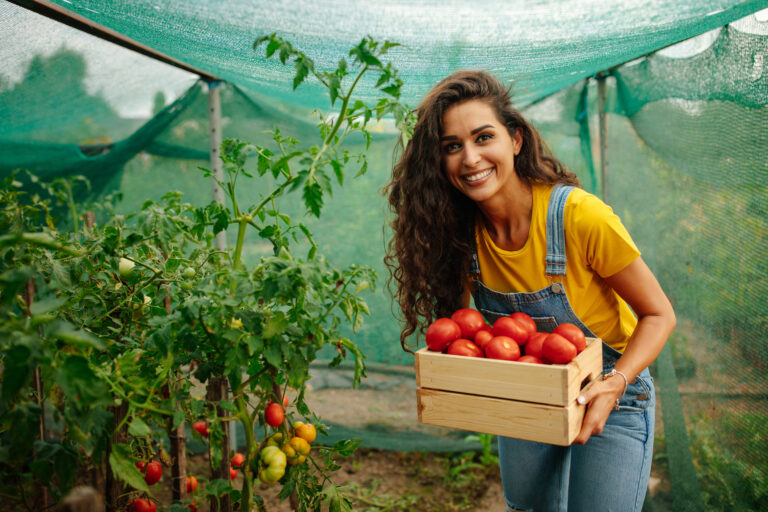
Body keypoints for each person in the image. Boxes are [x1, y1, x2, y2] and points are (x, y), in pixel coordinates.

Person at [384, 70, 676, 512]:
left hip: (611, 393)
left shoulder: (579, 217)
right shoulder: (460, 235)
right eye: (452, 146)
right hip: (525, 390)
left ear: (516, 139)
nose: (470, 158)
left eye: (484, 137)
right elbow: (463, 336)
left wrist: (615, 384)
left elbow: (659, 315)